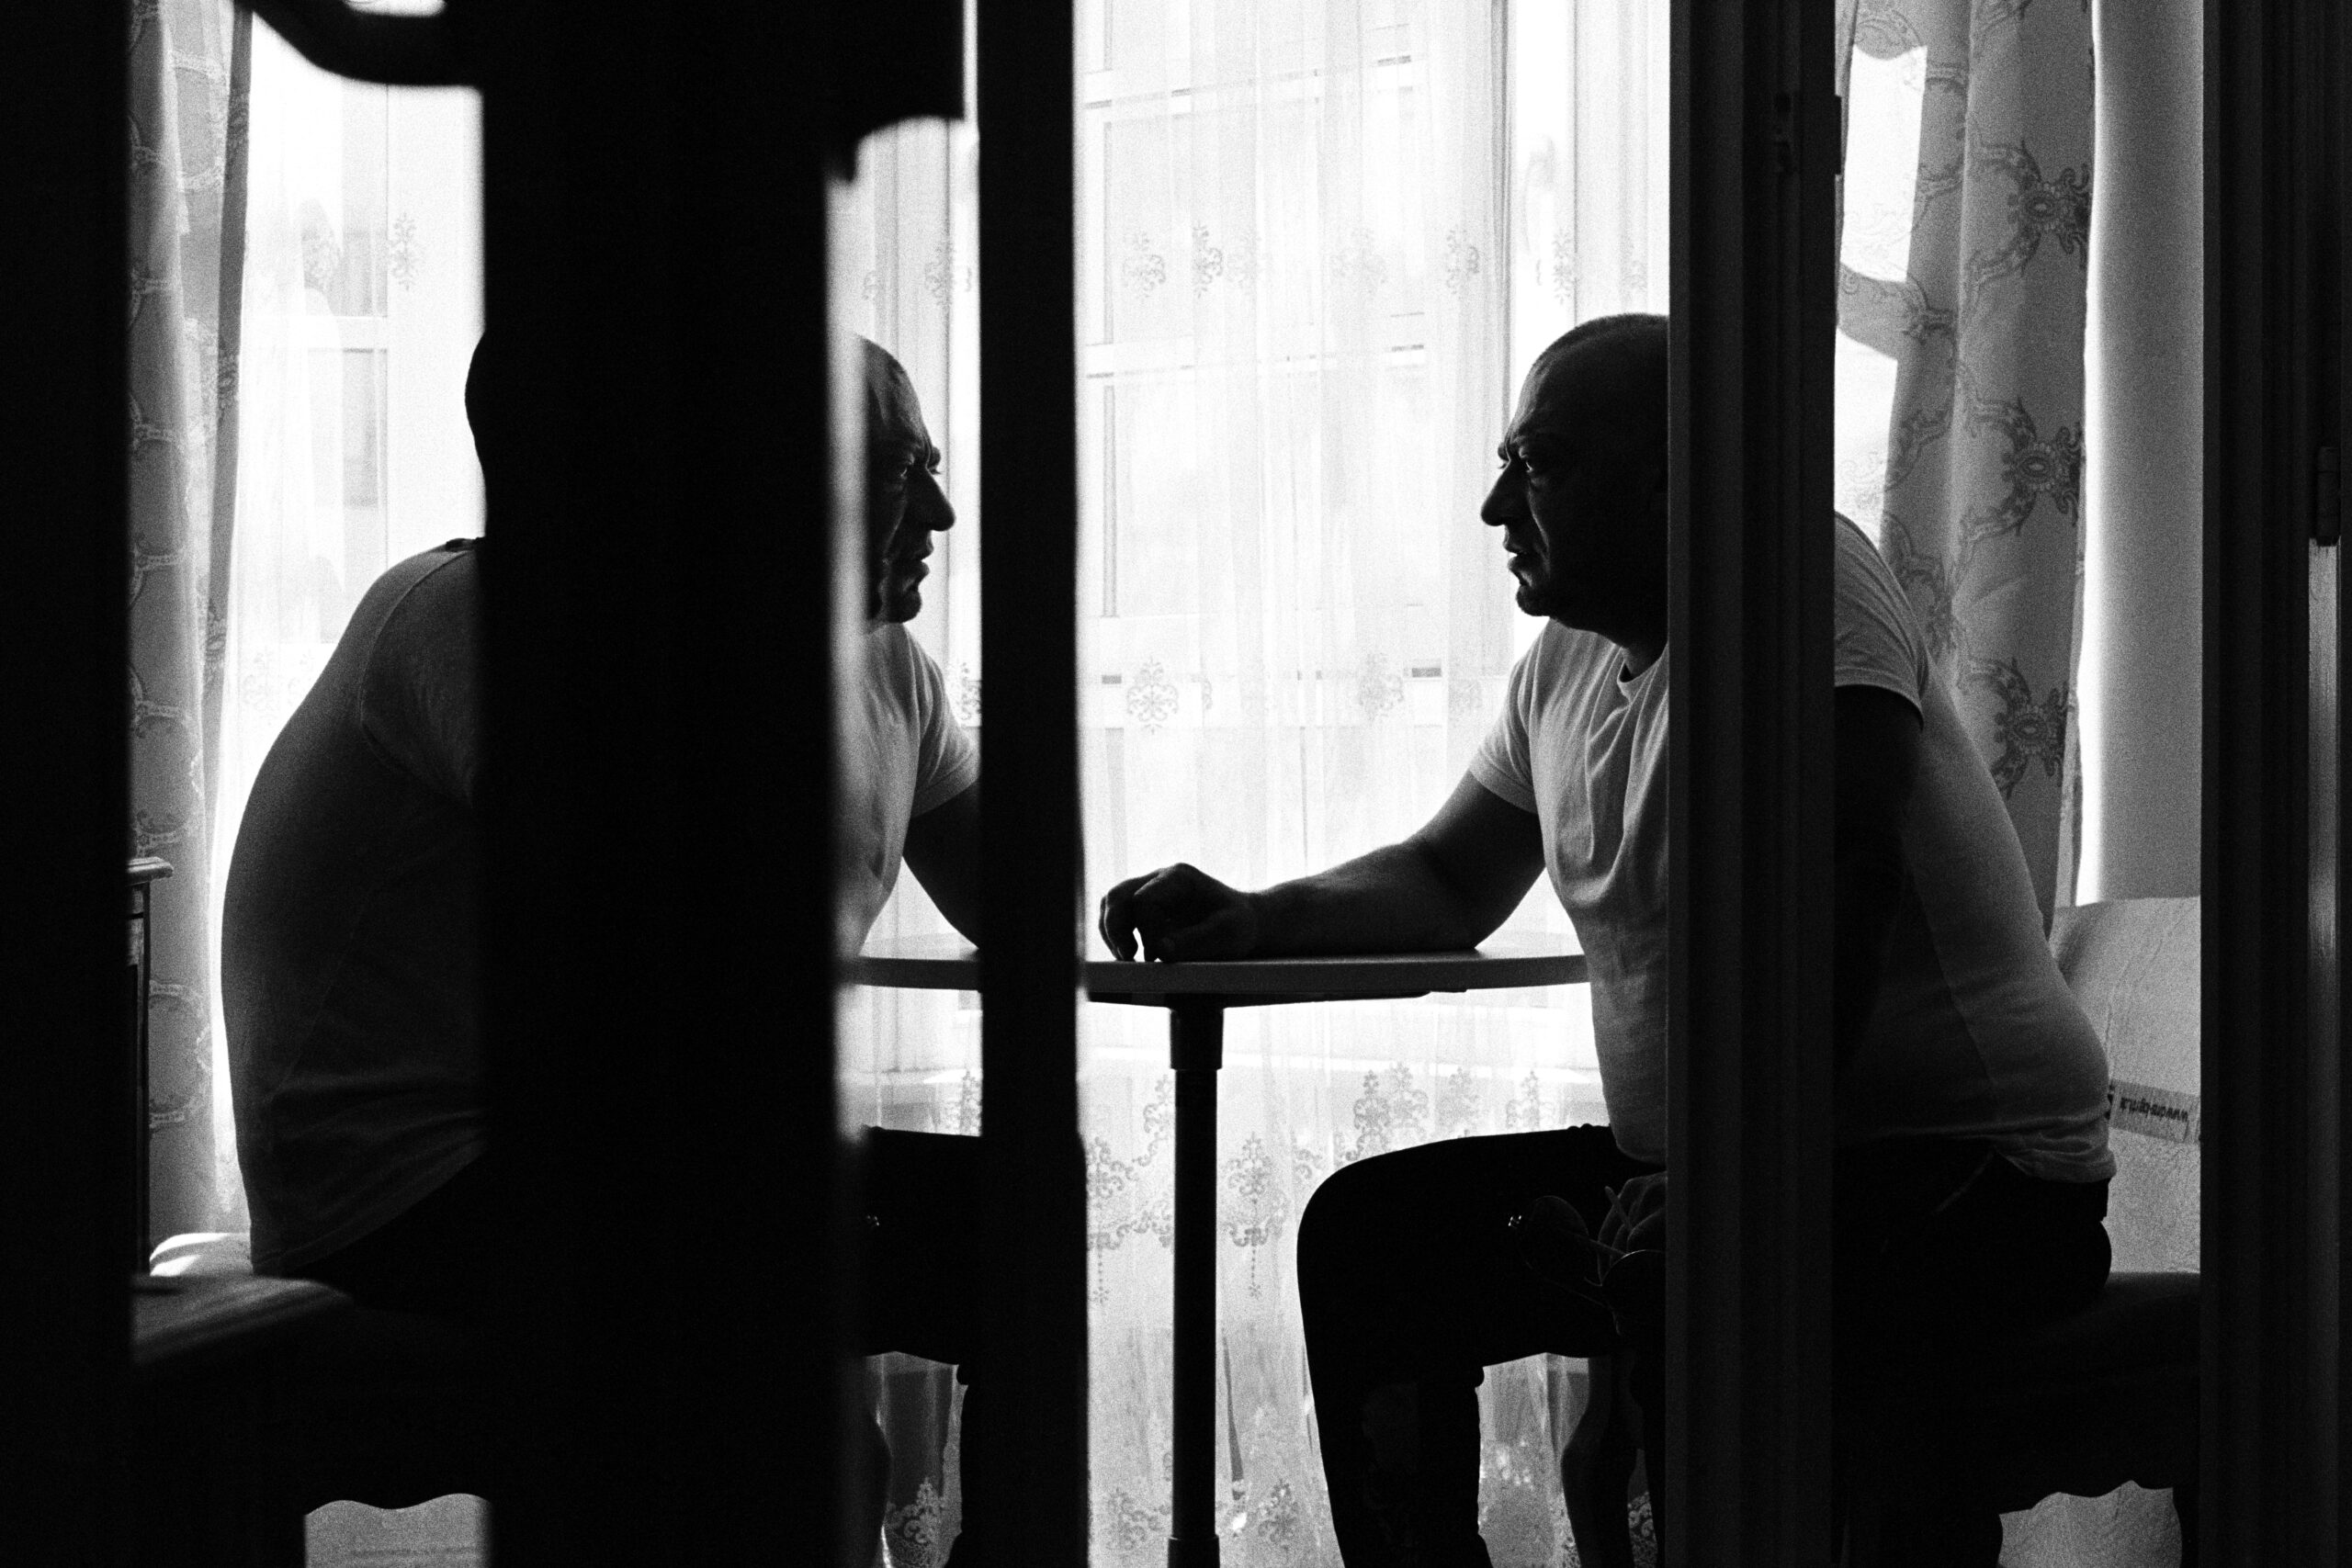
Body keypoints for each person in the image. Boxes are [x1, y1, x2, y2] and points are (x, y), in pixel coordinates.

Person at [1097, 313, 2115, 1567]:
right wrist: (1254, 916)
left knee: (1691, 1279)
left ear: (1671, 478)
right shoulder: (1562, 668)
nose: (1494, 507)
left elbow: (1841, 878)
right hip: (1708, 1163)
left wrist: (1736, 1182)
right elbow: (1447, 878)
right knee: (1374, 1241)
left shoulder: (1798, 570)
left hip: (1975, 1174)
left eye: (1536, 465)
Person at [222, 334, 1006, 1562]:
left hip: (625, 1153)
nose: (943, 517)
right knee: (805, 1432)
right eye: (904, 473)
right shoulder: (475, 611)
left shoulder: (883, 671)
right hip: (411, 1191)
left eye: (934, 469)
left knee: (1016, 1226)